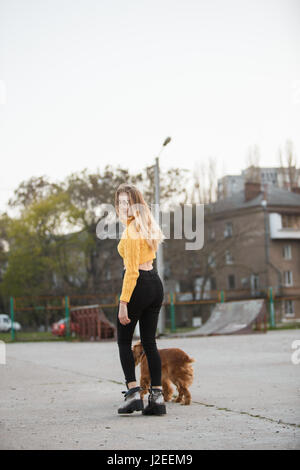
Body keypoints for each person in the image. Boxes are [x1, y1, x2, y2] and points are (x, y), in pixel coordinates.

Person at [115, 183, 166, 415]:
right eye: (120, 202)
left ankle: (133, 394)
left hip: (139, 284)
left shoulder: (131, 231)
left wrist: (123, 302)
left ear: (136, 203)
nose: (123, 206)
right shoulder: (146, 225)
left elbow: (132, 271)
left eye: (127, 202)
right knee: (149, 342)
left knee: (124, 341)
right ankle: (157, 399)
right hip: (155, 283)